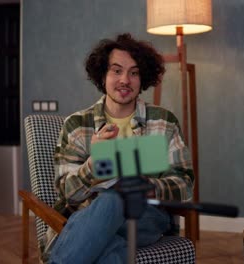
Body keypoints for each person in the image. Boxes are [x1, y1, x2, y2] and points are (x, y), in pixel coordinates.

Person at [45, 33, 194, 264]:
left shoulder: (165, 122)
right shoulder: (76, 125)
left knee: (117, 198)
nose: (125, 79)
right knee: (111, 242)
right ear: (102, 75)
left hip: (146, 218)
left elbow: (185, 184)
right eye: (116, 70)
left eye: (133, 73)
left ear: (142, 78)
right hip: (90, 216)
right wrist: (93, 166)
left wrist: (151, 186)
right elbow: (67, 193)